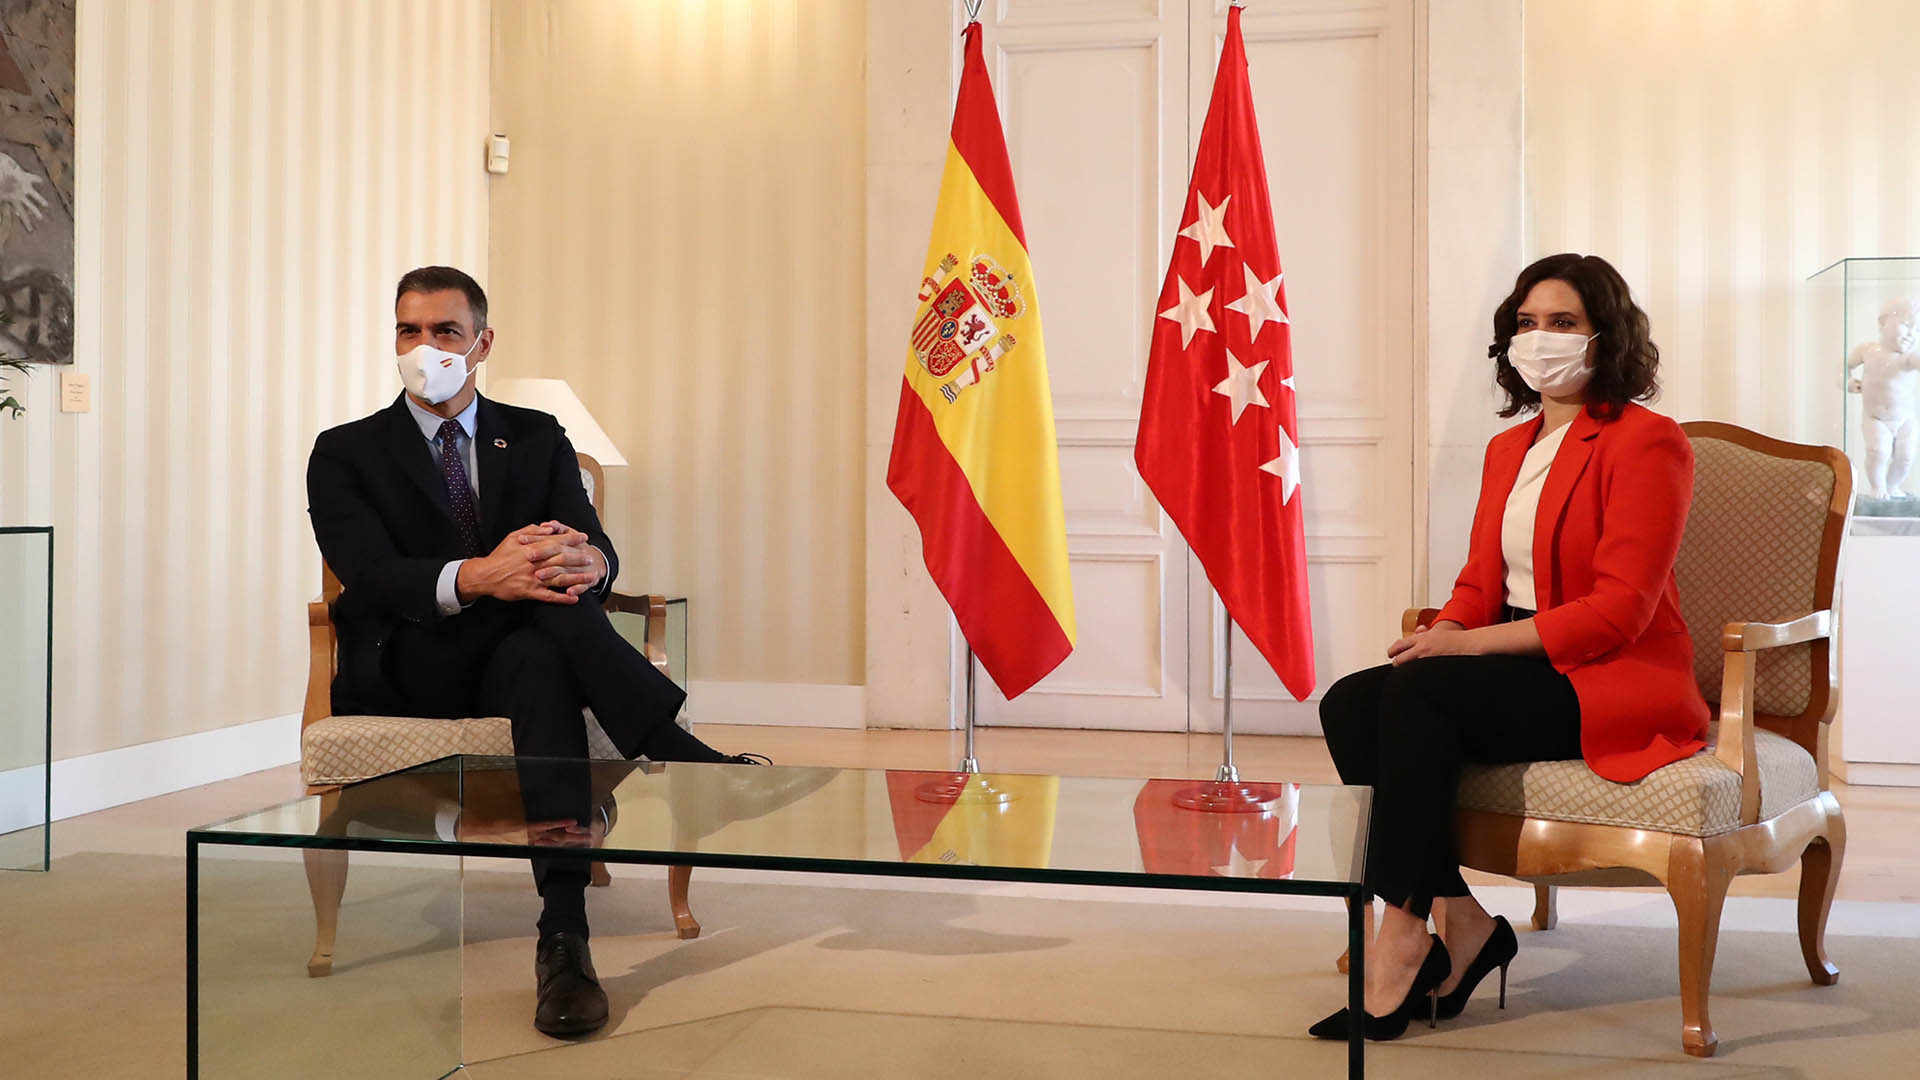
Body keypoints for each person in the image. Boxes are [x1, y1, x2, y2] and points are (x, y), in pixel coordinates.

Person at [306, 266, 763, 1038]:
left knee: (546, 641)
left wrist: (593, 564)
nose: (424, 348)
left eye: (445, 332)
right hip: (412, 662)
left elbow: (591, 540)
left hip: (519, 663)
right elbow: (371, 575)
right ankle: (678, 754)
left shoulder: (537, 434)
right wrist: (483, 575)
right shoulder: (346, 451)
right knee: (543, 613)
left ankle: (564, 937)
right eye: (409, 330)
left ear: (482, 344)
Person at [1311, 253, 1710, 1041]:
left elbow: (1619, 613)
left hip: (1607, 676)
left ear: (1606, 335)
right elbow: (1478, 581)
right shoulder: (1509, 448)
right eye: (1526, 323)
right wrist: (1447, 632)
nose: (1539, 338)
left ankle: (1400, 936)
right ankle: (1462, 919)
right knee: (1353, 699)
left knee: (1421, 692)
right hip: (1520, 660)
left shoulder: (1648, 442)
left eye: (1562, 322)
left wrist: (1469, 651)